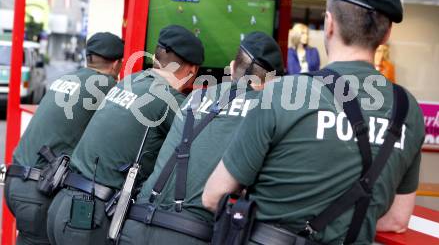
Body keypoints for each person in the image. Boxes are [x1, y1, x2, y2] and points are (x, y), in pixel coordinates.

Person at [203, 0, 425, 245]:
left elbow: (213, 196)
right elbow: (396, 220)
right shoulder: (408, 111)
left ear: (329, 24)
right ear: (386, 35)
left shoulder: (284, 92)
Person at [117, 31, 284, 245]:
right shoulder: (268, 110)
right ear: (272, 82)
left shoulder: (196, 97)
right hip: (190, 234)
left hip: (135, 224)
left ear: (232, 67)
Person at [46, 25, 205, 245]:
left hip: (63, 204)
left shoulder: (129, 82)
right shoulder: (168, 99)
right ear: (192, 70)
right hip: (90, 218)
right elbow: (202, 144)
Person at [4, 32, 124, 245]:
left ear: (88, 57)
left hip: (16, 182)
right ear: (116, 64)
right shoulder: (105, 86)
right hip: (40, 189)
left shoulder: (65, 79)